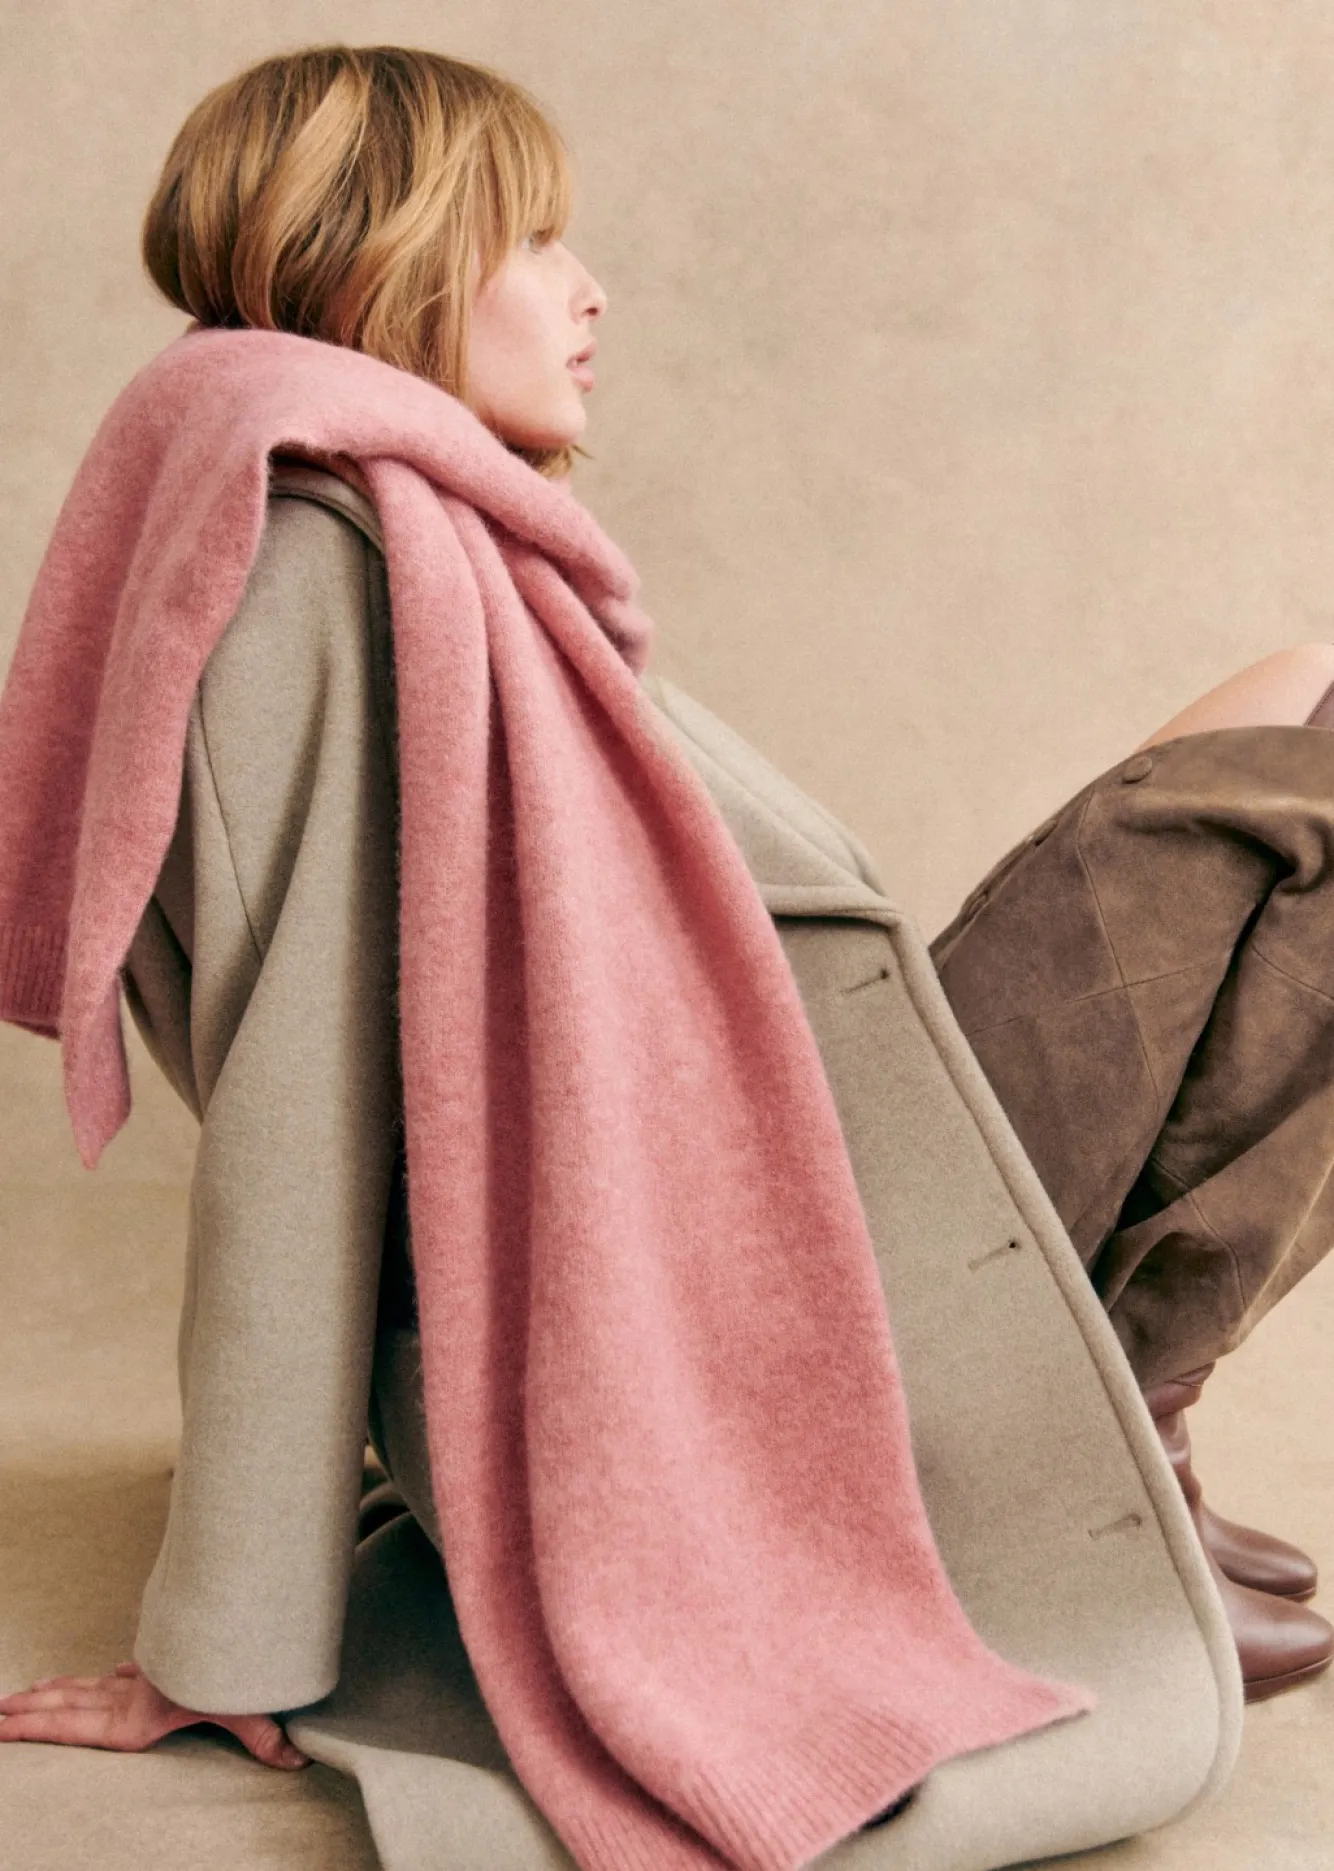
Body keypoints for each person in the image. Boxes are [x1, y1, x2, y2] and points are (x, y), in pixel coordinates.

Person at [0, 34, 1331, 1796]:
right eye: (532, 240)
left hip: (772, 1144)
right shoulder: (327, 571)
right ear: (385, 252)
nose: (590, 289)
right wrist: (229, 1636)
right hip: (755, 1237)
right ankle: (1099, 1434)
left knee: (1301, 688)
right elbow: (297, 1130)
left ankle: (1126, 1419)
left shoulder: (409, 526)